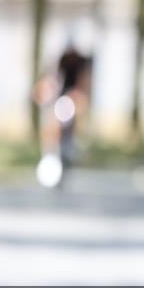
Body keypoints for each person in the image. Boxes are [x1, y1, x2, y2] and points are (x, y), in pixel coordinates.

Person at [34, 40, 93, 188]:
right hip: (60, 99)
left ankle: (66, 153)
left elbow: (82, 85)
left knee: (66, 128)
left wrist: (79, 98)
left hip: (71, 99)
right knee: (52, 128)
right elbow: (52, 81)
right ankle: (52, 153)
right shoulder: (60, 63)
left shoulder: (80, 64)